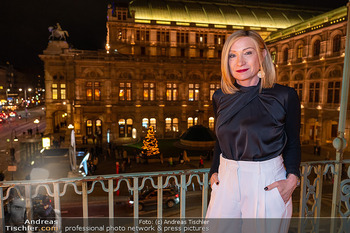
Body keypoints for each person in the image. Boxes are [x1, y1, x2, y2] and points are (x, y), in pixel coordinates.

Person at [206, 30, 301, 233]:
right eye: (232, 55)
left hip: (266, 179)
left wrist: (292, 179)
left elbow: (293, 141)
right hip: (226, 177)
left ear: (262, 55)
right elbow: (220, 140)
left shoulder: (285, 96)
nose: (239, 61)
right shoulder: (220, 96)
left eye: (247, 53)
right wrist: (213, 171)